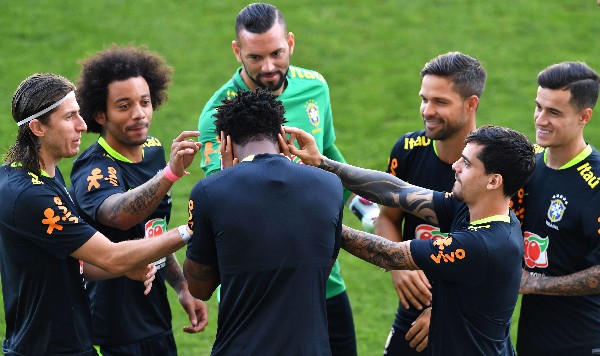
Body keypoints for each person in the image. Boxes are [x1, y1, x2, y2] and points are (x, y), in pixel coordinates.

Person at [196, 3, 367, 354]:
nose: (269, 67)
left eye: (277, 53)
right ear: (236, 51)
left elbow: (330, 154)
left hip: (323, 279)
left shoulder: (315, 87)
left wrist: (364, 207)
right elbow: (223, 197)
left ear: (291, 42)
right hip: (257, 288)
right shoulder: (219, 114)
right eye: (255, 58)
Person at [281, 124, 536, 355]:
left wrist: (319, 219)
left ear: (494, 181)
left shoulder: (482, 244)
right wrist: (323, 163)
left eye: (467, 164)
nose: (455, 166)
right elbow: (397, 192)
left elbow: (389, 254)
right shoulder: (475, 209)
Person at [0, 73, 197, 355]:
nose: (82, 126)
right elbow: (111, 257)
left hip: (66, 343)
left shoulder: (35, 176)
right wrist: (192, 228)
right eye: (69, 118)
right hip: (48, 348)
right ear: (37, 127)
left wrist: (131, 267)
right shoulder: (32, 196)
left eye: (79, 114)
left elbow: (78, 261)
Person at [69, 45, 208, 355]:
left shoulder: (154, 150)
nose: (139, 114)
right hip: (111, 327)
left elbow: (150, 229)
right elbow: (117, 215)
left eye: (144, 102)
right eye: (124, 106)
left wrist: (182, 286)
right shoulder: (94, 168)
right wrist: (169, 175)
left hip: (155, 318)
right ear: (100, 114)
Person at [184, 88, 342, 355]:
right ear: (282, 135)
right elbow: (321, 270)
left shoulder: (210, 192)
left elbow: (200, 288)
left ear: (225, 141)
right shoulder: (330, 185)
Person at [374, 51, 486, 354]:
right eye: (424, 99)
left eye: (440, 102)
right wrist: (398, 264)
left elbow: (504, 258)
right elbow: (386, 219)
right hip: (414, 311)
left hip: (471, 319)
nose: (427, 110)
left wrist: (446, 311)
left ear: (471, 103)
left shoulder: (495, 166)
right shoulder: (408, 150)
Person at [512, 62, 600, 355]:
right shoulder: (528, 165)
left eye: (554, 112)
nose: (540, 119)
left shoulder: (596, 186)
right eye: (538, 107)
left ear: (584, 116)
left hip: (582, 341)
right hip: (532, 336)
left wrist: (537, 285)